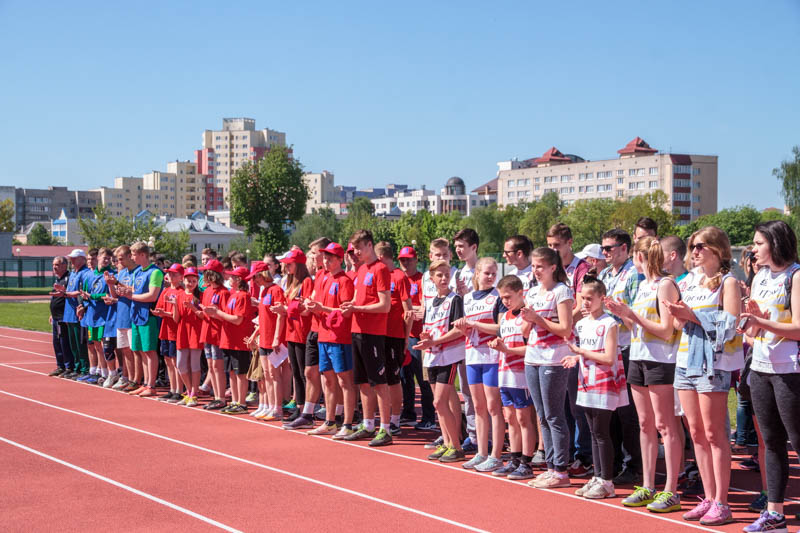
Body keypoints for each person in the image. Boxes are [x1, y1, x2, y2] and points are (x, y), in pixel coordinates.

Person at [664, 226, 743, 525]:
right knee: (695, 433)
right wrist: (676, 312)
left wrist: (691, 315)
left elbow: (730, 324)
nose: (694, 251)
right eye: (692, 246)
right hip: (686, 359)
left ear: (717, 249)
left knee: (714, 434)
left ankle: (722, 502)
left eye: (700, 246)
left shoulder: (728, 282)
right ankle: (709, 497)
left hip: (713, 364)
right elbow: (676, 325)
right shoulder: (691, 283)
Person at [605, 237, 682, 513]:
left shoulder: (665, 285)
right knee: (645, 423)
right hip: (638, 357)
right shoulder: (642, 286)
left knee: (665, 425)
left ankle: (671, 490)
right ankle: (648, 486)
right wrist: (621, 313)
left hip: (660, 360)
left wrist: (633, 317)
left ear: (641, 257)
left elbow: (666, 329)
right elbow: (636, 326)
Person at [738, 220, 800, 533]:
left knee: (797, 440)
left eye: (758, 243)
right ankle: (775, 515)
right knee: (772, 442)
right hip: (761, 367)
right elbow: (755, 327)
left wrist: (764, 322)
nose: (754, 249)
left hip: (790, 370)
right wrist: (751, 323)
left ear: (775, 243)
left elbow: (799, 328)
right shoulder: (760, 276)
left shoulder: (796, 276)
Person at [563, 274, 628, 499]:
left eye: (591, 298)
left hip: (604, 383)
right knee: (592, 431)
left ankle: (607, 481)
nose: (587, 303)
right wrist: (577, 359)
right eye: (583, 298)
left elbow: (609, 357)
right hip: (586, 382)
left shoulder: (609, 323)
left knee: (602, 432)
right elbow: (587, 354)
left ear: (602, 297)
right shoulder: (582, 324)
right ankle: (598, 476)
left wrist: (580, 352)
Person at [523, 247, 574, 489]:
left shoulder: (561, 291)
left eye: (540, 266)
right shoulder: (532, 292)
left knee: (554, 415)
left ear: (553, 267)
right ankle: (551, 466)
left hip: (554, 359)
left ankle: (561, 470)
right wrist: (526, 320)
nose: (536, 270)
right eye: (533, 266)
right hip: (532, 357)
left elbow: (565, 329)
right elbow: (527, 329)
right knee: (542, 415)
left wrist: (538, 320)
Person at [340, 229, 394, 447]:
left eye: (360, 248)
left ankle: (386, 428)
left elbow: (385, 305)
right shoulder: (361, 270)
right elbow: (357, 298)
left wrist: (358, 307)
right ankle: (368, 424)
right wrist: (350, 307)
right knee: (362, 381)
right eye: (354, 249)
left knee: (379, 382)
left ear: (370, 245)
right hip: (357, 330)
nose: (357, 252)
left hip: (373, 333)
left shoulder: (380, 269)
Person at [547, 223, 593, 477]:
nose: (553, 250)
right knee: (561, 402)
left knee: (577, 403)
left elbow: (580, 306)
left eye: (557, 246)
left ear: (569, 243)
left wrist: (558, 324)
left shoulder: (581, 269)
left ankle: (583, 455)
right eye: (550, 245)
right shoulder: (553, 269)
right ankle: (564, 453)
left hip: (576, 342)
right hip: (556, 343)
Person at [598, 228, 642, 485]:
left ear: (624, 248)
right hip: (605, 349)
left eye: (609, 248)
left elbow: (635, 314)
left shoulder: (633, 274)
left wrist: (616, 314)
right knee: (608, 409)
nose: (605, 253)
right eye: (602, 248)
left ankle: (633, 465)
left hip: (627, 347)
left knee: (627, 411)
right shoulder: (604, 274)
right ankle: (611, 461)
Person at [455, 258, 506, 472]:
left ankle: (496, 454)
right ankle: (481, 452)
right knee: (477, 406)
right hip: (473, 355)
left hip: (492, 356)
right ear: (477, 274)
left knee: (494, 406)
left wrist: (476, 324)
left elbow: (501, 327)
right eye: (487, 273)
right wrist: (464, 328)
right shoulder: (467, 299)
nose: (491, 277)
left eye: (494, 273)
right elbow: (464, 328)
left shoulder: (498, 297)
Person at [415, 260, 467, 462]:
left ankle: (457, 445)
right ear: (432, 278)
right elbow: (430, 328)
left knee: (439, 401)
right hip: (433, 355)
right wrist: (426, 339)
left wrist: (435, 340)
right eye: (440, 275)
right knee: (439, 404)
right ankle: (447, 443)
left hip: (449, 355)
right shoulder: (430, 301)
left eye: (447, 274)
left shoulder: (455, 300)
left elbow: (458, 330)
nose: (444, 278)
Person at [304, 242, 358, 438]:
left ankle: (348, 422)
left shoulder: (344, 281)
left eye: (330, 258)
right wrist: (311, 306)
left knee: (344, 380)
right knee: (327, 379)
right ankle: (330, 421)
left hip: (339, 337)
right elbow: (318, 302)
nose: (325, 261)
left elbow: (345, 311)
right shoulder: (322, 277)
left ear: (339, 260)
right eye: (324, 257)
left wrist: (322, 309)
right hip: (323, 335)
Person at [488, 274, 537, 478]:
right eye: (502, 298)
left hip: (521, 374)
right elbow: (505, 343)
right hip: (505, 373)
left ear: (520, 293)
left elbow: (531, 348)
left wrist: (507, 350)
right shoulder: (506, 316)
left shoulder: (527, 316)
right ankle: (515, 458)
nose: (505, 301)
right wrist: (497, 346)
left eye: (508, 297)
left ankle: (527, 461)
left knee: (523, 418)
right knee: (510, 417)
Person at [397, 245, 436, 431]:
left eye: (409, 259)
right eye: (402, 260)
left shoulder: (421, 280)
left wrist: (410, 310)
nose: (405, 263)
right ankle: (408, 411)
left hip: (419, 335)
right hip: (403, 334)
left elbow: (423, 307)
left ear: (416, 260)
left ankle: (428, 416)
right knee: (405, 377)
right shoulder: (398, 278)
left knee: (423, 379)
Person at [207, 266, 255, 415]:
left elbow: (238, 319)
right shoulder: (234, 295)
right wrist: (214, 314)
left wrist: (217, 312)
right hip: (229, 339)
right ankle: (235, 401)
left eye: (232, 277)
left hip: (239, 340)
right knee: (232, 373)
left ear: (239, 280)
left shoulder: (243, 296)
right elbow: (228, 316)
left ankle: (241, 402)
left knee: (240, 373)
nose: (229, 279)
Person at [117, 242, 164, 397]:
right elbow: (135, 290)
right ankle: (145, 383)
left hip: (148, 315)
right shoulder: (138, 272)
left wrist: (130, 295)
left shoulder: (155, 272)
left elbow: (152, 295)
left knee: (150, 351)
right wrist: (126, 291)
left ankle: (151, 384)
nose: (132, 257)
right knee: (142, 351)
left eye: (134, 254)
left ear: (143, 254)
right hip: (136, 315)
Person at [376, 242, 413, 436]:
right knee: (379, 378)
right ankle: (384, 417)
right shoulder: (378, 275)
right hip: (378, 334)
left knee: (393, 379)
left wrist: (406, 338)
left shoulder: (398, 277)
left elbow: (409, 310)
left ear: (381, 257)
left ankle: (396, 419)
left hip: (394, 336)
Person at [277, 248, 315, 427]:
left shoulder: (307, 282)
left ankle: (307, 410)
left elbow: (307, 311)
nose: (286, 267)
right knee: (296, 374)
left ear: (298, 264)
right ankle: (300, 408)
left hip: (301, 332)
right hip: (291, 332)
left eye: (289, 264)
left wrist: (288, 309)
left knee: (302, 372)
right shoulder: (291, 283)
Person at [248, 261, 289, 421]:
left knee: (274, 374)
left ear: (263, 274)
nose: (254, 281)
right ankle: (271, 406)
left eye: (256, 277)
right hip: (264, 338)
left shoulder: (276, 290)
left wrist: (277, 338)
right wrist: (256, 334)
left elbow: (281, 315)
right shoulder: (264, 291)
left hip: (272, 339)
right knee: (267, 375)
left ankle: (277, 408)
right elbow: (263, 318)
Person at [198, 259, 229, 410]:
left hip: (217, 333)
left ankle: (221, 398)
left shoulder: (224, 292)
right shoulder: (207, 291)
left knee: (218, 366)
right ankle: (216, 396)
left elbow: (225, 315)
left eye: (205, 272)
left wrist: (214, 314)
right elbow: (205, 313)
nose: (203, 275)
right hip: (207, 331)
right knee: (211, 365)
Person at [152, 263, 184, 401]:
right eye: (169, 273)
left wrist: (165, 313)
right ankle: (172, 388)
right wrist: (159, 313)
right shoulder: (165, 291)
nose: (170, 276)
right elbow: (159, 308)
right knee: (167, 360)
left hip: (176, 331)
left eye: (174, 274)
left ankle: (179, 390)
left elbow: (179, 315)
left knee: (175, 361)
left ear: (181, 277)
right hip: (165, 330)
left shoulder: (181, 292)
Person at [58, 249, 92, 379]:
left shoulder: (85, 273)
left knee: (80, 343)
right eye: (71, 258)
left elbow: (81, 292)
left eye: (75, 258)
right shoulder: (73, 273)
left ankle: (84, 368)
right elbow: (71, 291)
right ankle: (77, 367)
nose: (72, 260)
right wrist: (63, 291)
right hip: (69, 313)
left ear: (82, 259)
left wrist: (66, 293)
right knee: (73, 343)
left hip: (79, 313)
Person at [174, 266, 204, 407]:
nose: (190, 283)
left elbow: (202, 315)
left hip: (195, 331)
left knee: (194, 364)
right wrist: (174, 305)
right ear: (183, 280)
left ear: (197, 282)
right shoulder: (179, 295)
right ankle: (189, 390)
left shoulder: (199, 296)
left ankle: (194, 394)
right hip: (183, 331)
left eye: (193, 281)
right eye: (188, 280)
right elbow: (176, 319)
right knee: (180, 364)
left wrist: (193, 307)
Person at [49, 256, 74, 377]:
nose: (55, 267)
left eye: (57, 265)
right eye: (54, 264)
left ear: (65, 265)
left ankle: (68, 366)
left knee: (64, 341)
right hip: (56, 316)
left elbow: (69, 295)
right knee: (56, 342)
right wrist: (51, 314)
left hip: (63, 316)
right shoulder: (58, 279)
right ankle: (60, 365)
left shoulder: (68, 278)